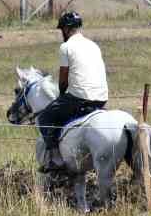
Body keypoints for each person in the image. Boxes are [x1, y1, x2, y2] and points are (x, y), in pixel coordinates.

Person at [36, 10, 108, 170]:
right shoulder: (93, 45)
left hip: (80, 98)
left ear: (66, 30)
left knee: (45, 118)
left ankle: (56, 159)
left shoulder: (66, 47)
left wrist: (61, 95)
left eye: (62, 30)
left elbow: (63, 79)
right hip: (102, 98)